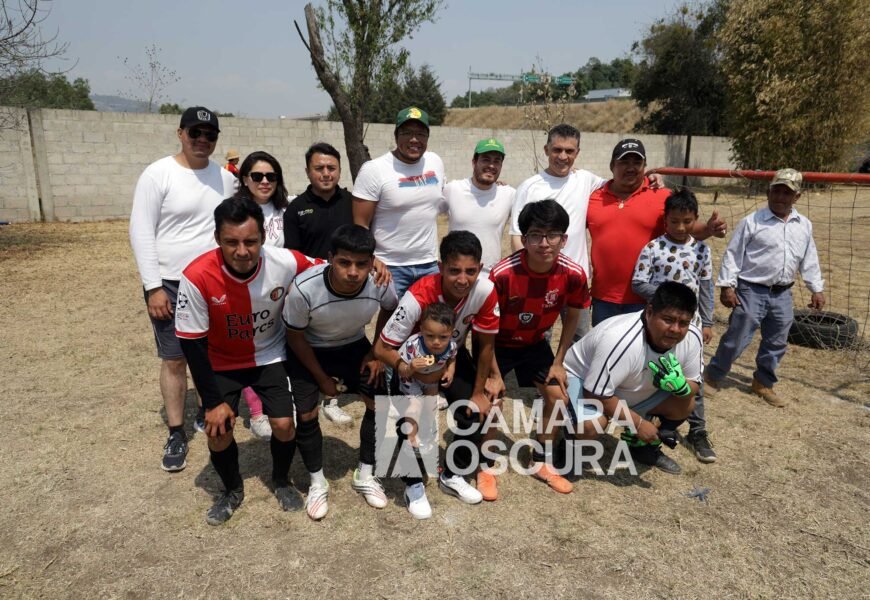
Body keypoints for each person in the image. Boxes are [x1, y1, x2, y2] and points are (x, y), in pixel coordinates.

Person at [174, 197, 323, 524]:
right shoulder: (196, 276)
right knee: (218, 430)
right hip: (219, 361)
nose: (242, 251)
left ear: (263, 239)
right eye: (231, 242)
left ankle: (281, 481)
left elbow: (328, 267)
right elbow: (192, 345)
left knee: (284, 425)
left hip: (269, 355)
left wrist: (374, 266)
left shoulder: (284, 261)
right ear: (217, 239)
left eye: (251, 242)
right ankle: (232, 490)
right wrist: (212, 402)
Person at [129, 106, 237, 472]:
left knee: (215, 354)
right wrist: (152, 287)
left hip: (215, 281)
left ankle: (210, 407)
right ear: (180, 134)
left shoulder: (225, 179)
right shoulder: (158, 174)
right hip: (172, 283)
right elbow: (141, 230)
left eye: (210, 135)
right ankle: (176, 431)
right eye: (195, 133)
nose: (202, 141)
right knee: (174, 358)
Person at [374, 231, 502, 519]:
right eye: (454, 270)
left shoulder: (485, 291)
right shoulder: (418, 296)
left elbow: (485, 345)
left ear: (480, 269)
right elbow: (383, 348)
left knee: (476, 409)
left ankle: (452, 473)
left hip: (448, 358)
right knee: (413, 420)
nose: (462, 279)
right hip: (411, 365)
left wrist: (479, 392)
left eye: (471, 271)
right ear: (441, 266)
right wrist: (408, 369)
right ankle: (413, 483)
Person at [281, 224, 398, 513]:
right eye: (344, 262)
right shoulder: (304, 288)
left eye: (361, 264)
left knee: (379, 402)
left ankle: (366, 474)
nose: (353, 272)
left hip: (353, 344)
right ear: (330, 258)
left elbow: (390, 308)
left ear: (372, 262)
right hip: (309, 349)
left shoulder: (381, 281)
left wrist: (375, 352)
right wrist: (322, 379)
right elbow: (294, 336)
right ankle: (317, 481)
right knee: (306, 412)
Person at [489, 200, 591, 496]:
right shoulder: (502, 275)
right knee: (492, 399)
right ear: (524, 238)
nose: (544, 243)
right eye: (535, 235)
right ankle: (485, 463)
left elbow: (574, 314)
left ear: (564, 239)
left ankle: (540, 460)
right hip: (498, 344)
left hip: (535, 345)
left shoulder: (573, 274)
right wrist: (493, 373)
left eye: (552, 235)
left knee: (557, 396)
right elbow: (484, 329)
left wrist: (559, 361)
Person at [705, 168, 825, 407]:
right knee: (737, 336)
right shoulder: (752, 222)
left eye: (787, 193)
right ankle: (713, 376)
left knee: (777, 340)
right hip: (751, 290)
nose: (780, 197)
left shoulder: (804, 225)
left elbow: (809, 258)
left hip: (782, 293)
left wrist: (816, 287)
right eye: (776, 191)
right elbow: (733, 255)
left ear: (797, 197)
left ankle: (763, 382)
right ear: (768, 192)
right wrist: (727, 286)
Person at [286, 142, 387, 425]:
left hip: (349, 282)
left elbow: (364, 240)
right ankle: (314, 388)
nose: (326, 173)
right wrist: (321, 271)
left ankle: (335, 395)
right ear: (308, 171)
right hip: (315, 289)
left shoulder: (352, 202)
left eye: (332, 168)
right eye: (319, 168)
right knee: (311, 338)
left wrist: (372, 261)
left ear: (340, 170)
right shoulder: (296, 209)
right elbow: (293, 256)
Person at [564, 281, 704, 475]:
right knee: (590, 425)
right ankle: (568, 445)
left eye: (683, 323)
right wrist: (638, 423)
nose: (675, 329)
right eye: (668, 319)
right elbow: (594, 393)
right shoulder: (619, 338)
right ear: (649, 312)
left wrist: (682, 388)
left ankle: (642, 447)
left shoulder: (693, 337)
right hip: (583, 382)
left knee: (685, 403)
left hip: (626, 388)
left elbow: (694, 384)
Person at [586, 138, 726, 327]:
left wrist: (710, 229)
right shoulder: (594, 197)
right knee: (605, 351)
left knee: (642, 353)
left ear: (645, 166)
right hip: (604, 298)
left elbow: (685, 228)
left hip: (646, 298)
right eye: (624, 162)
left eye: (637, 162)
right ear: (612, 165)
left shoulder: (661, 195)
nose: (631, 167)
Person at [631, 188, 716, 462]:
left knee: (693, 378)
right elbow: (638, 282)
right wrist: (667, 299)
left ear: (696, 219)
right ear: (665, 220)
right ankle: (650, 422)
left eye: (687, 221)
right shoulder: (653, 247)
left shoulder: (702, 250)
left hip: (691, 327)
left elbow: (705, 287)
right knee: (656, 371)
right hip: (659, 325)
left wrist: (707, 322)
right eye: (674, 221)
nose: (680, 227)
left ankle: (697, 429)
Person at [353, 106, 446, 299]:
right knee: (392, 321)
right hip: (390, 266)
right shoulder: (374, 169)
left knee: (429, 322)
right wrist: (371, 259)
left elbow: (444, 196)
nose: (414, 139)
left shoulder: (435, 162)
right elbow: (360, 224)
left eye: (421, 133)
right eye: (407, 133)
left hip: (428, 263)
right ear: (396, 136)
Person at [230, 151, 291, 440]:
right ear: (244, 179)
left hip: (280, 286)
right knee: (247, 344)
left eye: (271, 176)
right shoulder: (234, 211)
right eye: (257, 176)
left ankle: (277, 395)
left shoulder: (286, 209)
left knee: (275, 344)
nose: (265, 181)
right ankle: (256, 411)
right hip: (246, 287)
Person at [441, 138, 514, 270]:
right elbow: (426, 215)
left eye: (496, 161)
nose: (491, 165)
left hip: (490, 275)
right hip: (455, 274)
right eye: (486, 159)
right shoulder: (453, 189)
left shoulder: (509, 194)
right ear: (474, 162)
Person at [395, 303, 458, 450]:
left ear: (452, 333)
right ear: (422, 330)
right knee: (416, 405)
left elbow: (452, 358)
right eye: (430, 336)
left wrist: (450, 371)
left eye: (443, 337)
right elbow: (400, 369)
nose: (436, 342)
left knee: (430, 406)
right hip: (411, 380)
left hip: (432, 381)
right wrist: (411, 367)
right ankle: (411, 436)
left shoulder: (451, 346)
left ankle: (427, 431)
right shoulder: (413, 346)